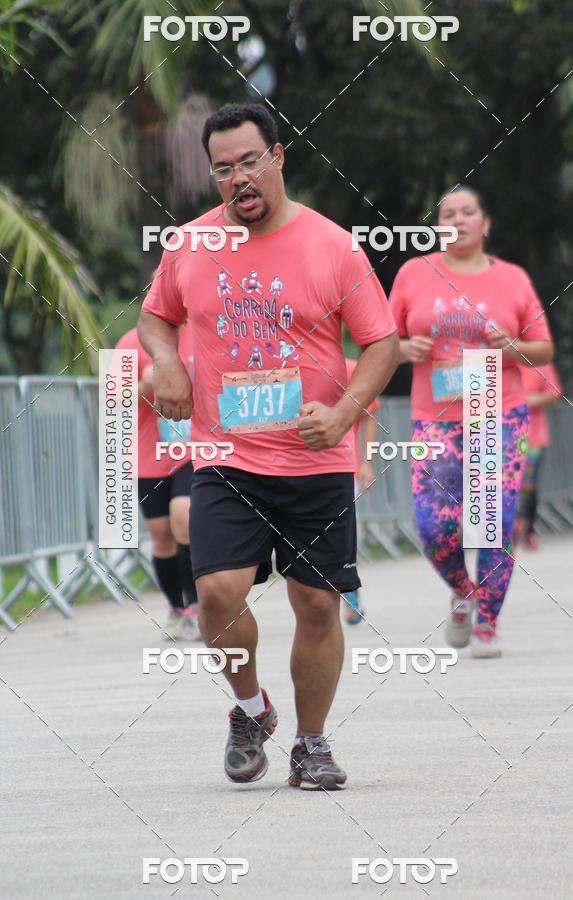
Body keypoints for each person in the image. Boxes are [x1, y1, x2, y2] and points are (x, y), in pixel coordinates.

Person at [137, 103, 399, 790]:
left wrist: (345, 413)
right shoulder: (189, 244)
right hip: (227, 456)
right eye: (223, 168)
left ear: (278, 156)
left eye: (249, 161)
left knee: (316, 605)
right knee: (218, 593)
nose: (238, 178)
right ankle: (249, 709)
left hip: (315, 459)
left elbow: (383, 342)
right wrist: (165, 363)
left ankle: (311, 744)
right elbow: (156, 318)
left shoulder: (333, 246)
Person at [389, 185, 553, 658]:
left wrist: (511, 346)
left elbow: (542, 348)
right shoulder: (413, 274)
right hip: (434, 418)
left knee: (493, 523)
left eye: (467, 212)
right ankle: (463, 591)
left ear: (486, 222)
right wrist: (403, 350)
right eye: (447, 214)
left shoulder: (513, 279)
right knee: (434, 528)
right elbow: (382, 338)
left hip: (497, 411)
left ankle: (487, 624)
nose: (457, 220)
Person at [115, 325, 200, 641]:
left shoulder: (201, 331)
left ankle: (195, 607)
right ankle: (175, 608)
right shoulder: (129, 341)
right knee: (161, 535)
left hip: (191, 449)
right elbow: (114, 400)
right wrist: (144, 385)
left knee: (185, 517)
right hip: (147, 452)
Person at [343, 356, 380, 625]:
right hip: (296, 467)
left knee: (342, 532)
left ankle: (350, 594)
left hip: (343, 465)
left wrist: (366, 461)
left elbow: (370, 415)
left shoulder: (352, 369)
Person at [515, 363, 562, 549]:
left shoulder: (538, 360)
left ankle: (527, 529)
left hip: (532, 436)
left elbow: (554, 392)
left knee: (527, 484)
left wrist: (531, 399)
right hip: (499, 436)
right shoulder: (492, 356)